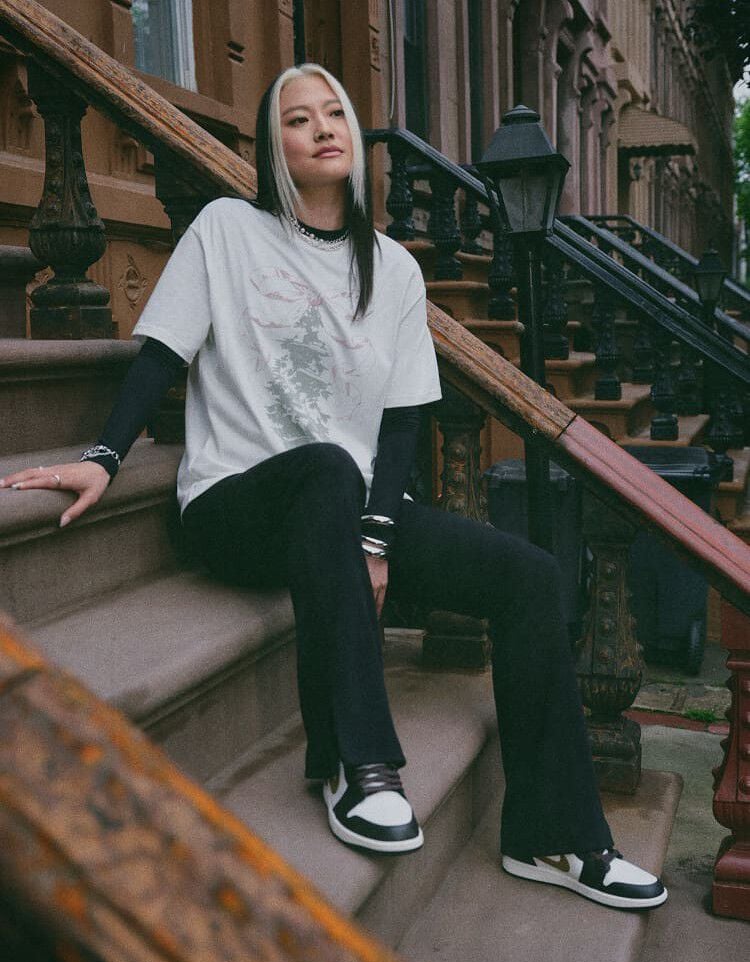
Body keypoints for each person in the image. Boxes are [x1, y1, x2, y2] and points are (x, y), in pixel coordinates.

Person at [0, 64, 667, 910]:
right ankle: (358, 764)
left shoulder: (394, 269)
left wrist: (376, 538)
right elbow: (161, 355)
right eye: (297, 119)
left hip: (350, 514)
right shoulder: (226, 231)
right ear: (273, 148)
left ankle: (554, 835)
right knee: (325, 467)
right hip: (237, 505)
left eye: (335, 114)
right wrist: (103, 455)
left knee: (526, 575)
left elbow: (403, 422)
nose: (322, 128)